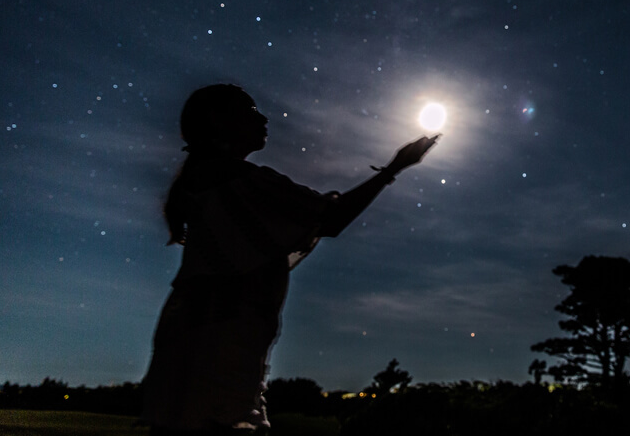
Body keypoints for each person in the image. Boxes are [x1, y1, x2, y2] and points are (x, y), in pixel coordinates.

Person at [141, 84, 437, 434]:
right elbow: (331, 219)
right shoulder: (245, 182)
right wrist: (394, 168)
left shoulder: (202, 184)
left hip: (187, 340)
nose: (263, 118)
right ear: (220, 120)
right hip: (223, 348)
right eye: (250, 111)